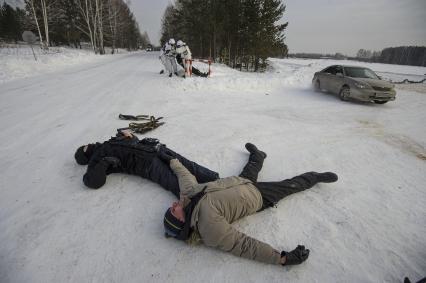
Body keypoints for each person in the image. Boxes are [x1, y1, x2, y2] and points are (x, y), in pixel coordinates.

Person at [160, 143, 338, 266]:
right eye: (173, 211)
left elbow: (184, 177)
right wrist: (282, 259)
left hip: (239, 181)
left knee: (251, 168)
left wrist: (171, 160)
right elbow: (244, 246)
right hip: (257, 197)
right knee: (291, 185)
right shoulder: (208, 228)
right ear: (181, 221)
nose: (174, 205)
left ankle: (258, 156)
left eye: (171, 208)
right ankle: (315, 177)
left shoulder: (188, 197)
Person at [74, 130, 219, 197]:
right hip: (145, 164)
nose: (89, 144)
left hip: (156, 149)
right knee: (175, 182)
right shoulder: (96, 159)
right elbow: (91, 182)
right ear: (85, 155)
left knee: (190, 166)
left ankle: (218, 180)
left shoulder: (110, 141)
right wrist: (105, 162)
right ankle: (205, 200)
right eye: (85, 148)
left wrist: (128, 135)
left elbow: (134, 141)